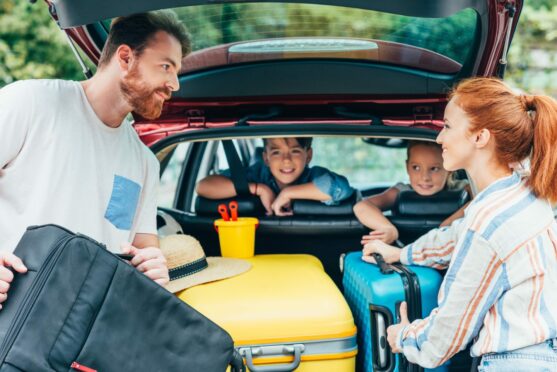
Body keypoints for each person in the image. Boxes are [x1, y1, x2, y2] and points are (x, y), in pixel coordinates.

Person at [362, 77, 557, 370]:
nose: (439, 138)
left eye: (448, 126)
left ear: (480, 138)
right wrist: (401, 253)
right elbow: (458, 236)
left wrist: (401, 335)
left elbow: (445, 337)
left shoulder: (489, 221)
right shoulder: (524, 191)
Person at [0, 12, 191, 308]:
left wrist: (153, 268)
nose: (175, 84)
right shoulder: (29, 103)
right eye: (166, 66)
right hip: (10, 318)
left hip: (87, 335)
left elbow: (142, 251)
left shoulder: (144, 162)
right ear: (125, 58)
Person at [196, 137, 354, 216]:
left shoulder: (314, 176)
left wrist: (288, 193)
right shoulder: (254, 175)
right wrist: (259, 189)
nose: (286, 160)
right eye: (276, 152)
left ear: (308, 155)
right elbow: (203, 186)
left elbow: (341, 187)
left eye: (295, 151)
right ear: (266, 158)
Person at [354, 141, 470, 245]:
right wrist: (386, 228)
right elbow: (362, 206)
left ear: (449, 169)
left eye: (434, 168)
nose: (425, 177)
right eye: (416, 167)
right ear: (407, 167)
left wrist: (449, 223)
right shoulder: (401, 190)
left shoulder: (463, 189)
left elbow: (483, 198)